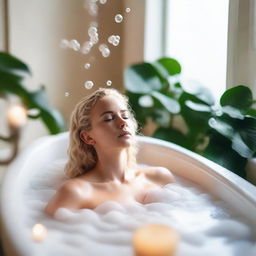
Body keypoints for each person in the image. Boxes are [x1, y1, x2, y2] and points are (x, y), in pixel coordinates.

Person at [45, 88, 175, 216]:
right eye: (108, 119)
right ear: (88, 137)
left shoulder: (159, 177)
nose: (122, 122)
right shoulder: (76, 192)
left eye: (125, 115)